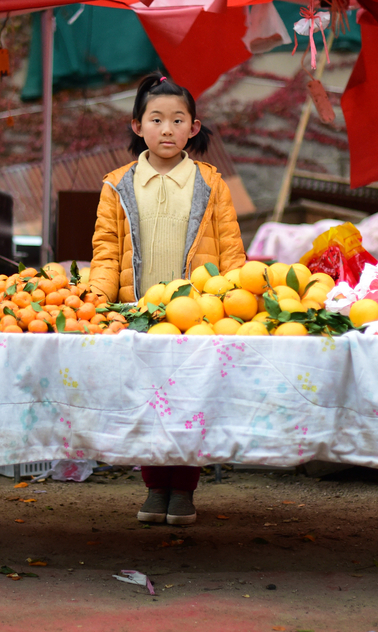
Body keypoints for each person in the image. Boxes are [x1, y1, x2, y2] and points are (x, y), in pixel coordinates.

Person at [89, 73, 247, 525]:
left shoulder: (210, 183)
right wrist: (98, 304)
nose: (166, 129)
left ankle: (185, 489)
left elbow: (232, 249)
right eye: (156, 119)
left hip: (197, 314)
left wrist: (235, 301)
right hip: (138, 314)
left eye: (178, 120)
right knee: (148, 401)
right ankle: (155, 487)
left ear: (193, 128)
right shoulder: (116, 185)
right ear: (137, 125)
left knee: (188, 401)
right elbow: (104, 253)